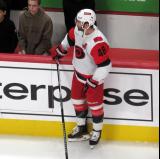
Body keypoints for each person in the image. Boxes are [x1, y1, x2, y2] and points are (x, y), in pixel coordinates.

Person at [50, 9, 112, 149]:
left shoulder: (98, 42)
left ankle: (96, 131)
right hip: (78, 74)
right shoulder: (77, 30)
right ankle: (82, 128)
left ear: (86, 24)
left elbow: (106, 66)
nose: (76, 22)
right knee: (77, 101)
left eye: (79, 21)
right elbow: (68, 39)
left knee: (95, 106)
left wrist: (93, 81)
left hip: (93, 80)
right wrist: (60, 51)